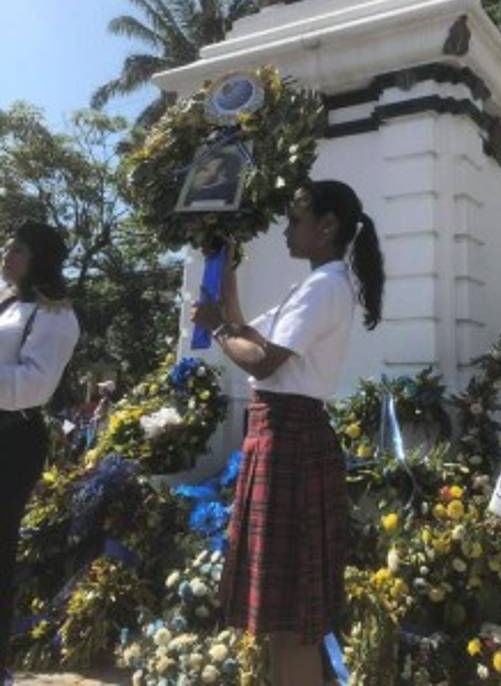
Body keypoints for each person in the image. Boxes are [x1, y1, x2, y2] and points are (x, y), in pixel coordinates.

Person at [192, 180, 385, 686]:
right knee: (283, 619)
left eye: (295, 218)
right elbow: (249, 332)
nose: (286, 229)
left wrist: (214, 330)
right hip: (283, 437)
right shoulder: (316, 284)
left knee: (295, 618)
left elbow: (261, 361)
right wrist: (226, 271)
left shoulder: (325, 286)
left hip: (289, 442)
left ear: (327, 227)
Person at [0, 223, 80, 686]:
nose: (8, 252)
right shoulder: (5, 298)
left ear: (42, 259)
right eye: (8, 244)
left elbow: (35, 384)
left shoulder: (54, 314)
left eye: (21, 248)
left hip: (11, 440)